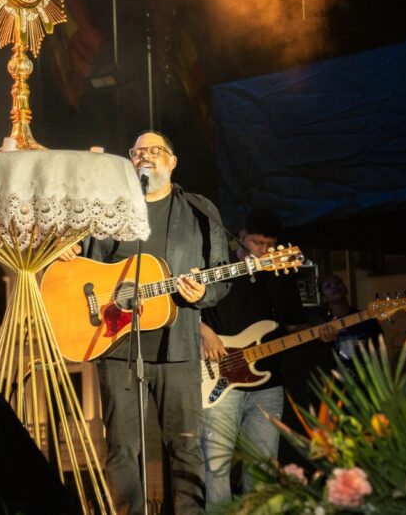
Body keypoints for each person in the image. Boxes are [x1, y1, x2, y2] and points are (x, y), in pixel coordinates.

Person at [66, 131, 230, 514]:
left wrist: (202, 294)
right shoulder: (112, 208)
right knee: (121, 449)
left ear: (172, 161)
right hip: (116, 347)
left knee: (185, 446)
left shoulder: (199, 210)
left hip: (179, 349)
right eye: (138, 152)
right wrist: (67, 252)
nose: (145, 157)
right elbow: (83, 263)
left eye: (155, 151)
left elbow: (221, 273)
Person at [199, 207, 307, 506]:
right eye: (257, 243)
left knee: (262, 469)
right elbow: (185, 308)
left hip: (267, 383)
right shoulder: (217, 265)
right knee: (216, 468)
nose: (262, 250)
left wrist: (322, 330)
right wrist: (203, 331)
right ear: (241, 236)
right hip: (219, 379)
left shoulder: (278, 273)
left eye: (269, 245)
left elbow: (293, 324)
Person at [318, 274, 383, 365]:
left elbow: (380, 348)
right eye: (328, 286)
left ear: (346, 289)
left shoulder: (366, 318)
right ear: (323, 298)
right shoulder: (322, 325)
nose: (334, 286)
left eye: (338, 282)